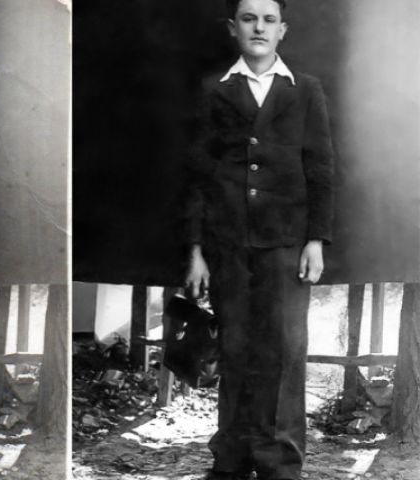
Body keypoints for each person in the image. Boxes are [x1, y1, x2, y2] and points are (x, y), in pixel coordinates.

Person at [184, 0, 333, 479]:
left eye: (269, 20)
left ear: (282, 30)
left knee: (284, 353)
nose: (259, 28)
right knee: (235, 349)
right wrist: (196, 250)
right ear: (233, 28)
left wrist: (316, 239)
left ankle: (280, 464)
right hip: (227, 245)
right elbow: (197, 175)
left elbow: (320, 168)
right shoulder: (215, 90)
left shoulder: (304, 89)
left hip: (286, 244)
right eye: (249, 19)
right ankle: (231, 460)